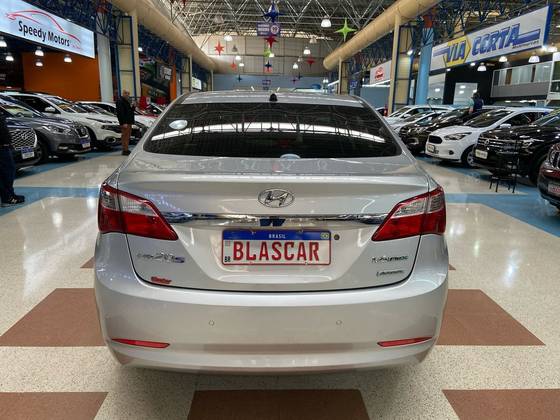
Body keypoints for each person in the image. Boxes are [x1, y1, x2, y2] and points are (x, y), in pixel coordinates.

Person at [0, 115, 25, 207]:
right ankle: (7, 198)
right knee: (7, 173)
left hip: (4, 146)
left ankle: (10, 195)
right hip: (2, 148)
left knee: (6, 173)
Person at [115, 90, 135, 156]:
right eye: (126, 93)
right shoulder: (120, 101)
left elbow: (130, 111)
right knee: (125, 136)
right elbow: (120, 113)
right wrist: (123, 122)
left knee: (128, 136)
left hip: (129, 122)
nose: (127, 95)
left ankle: (126, 149)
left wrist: (133, 106)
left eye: (128, 93)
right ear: (123, 93)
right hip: (125, 122)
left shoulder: (127, 101)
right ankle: (125, 150)